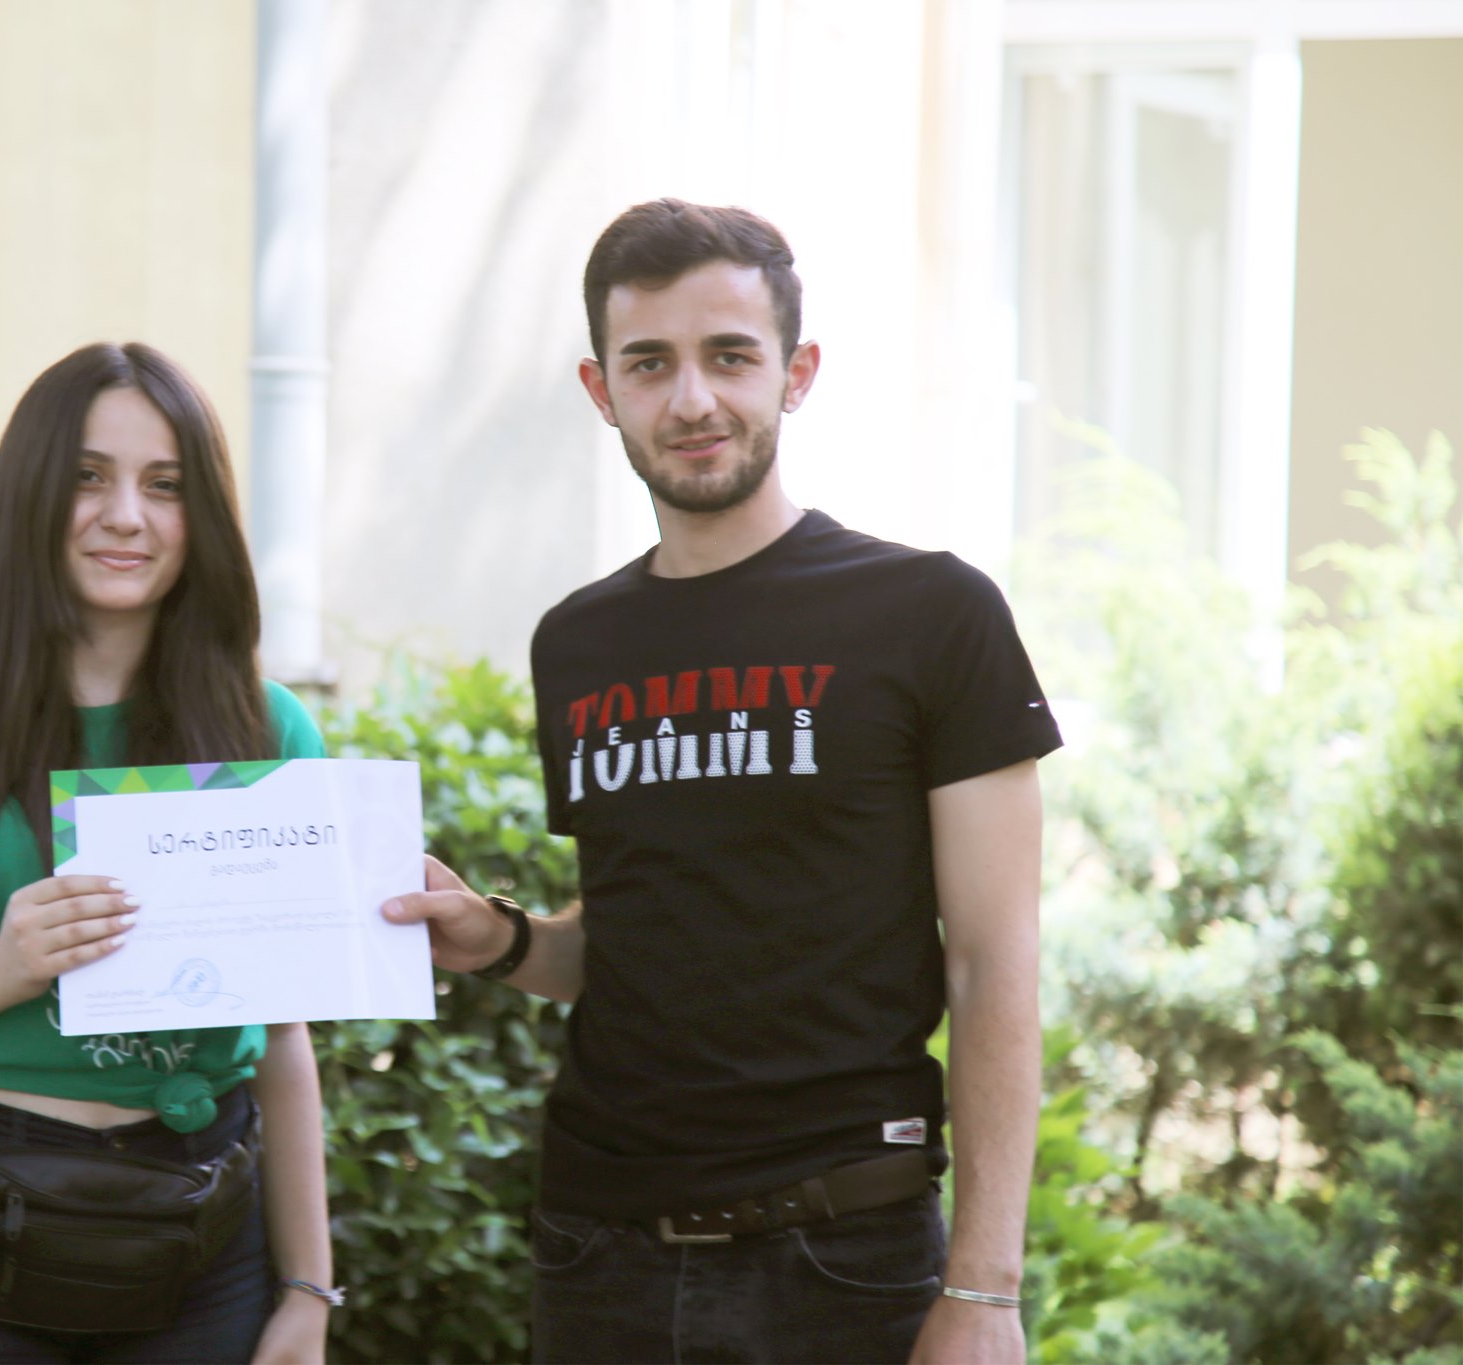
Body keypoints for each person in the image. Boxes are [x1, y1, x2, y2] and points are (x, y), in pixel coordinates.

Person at [385, 200, 1061, 1364]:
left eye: (730, 356)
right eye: (649, 363)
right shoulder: (577, 643)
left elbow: (990, 962)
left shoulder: (930, 615)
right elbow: (637, 937)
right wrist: (499, 941)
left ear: (795, 374)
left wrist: (984, 1288)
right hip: (599, 1258)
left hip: (843, 1258)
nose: (691, 400)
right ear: (601, 390)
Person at [0, 342, 334, 1365]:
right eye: (87, 476)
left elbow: (283, 1036)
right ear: (28, 496)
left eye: (164, 485)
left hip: (207, 1239)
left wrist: (308, 1291)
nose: (125, 515)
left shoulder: (270, 732)